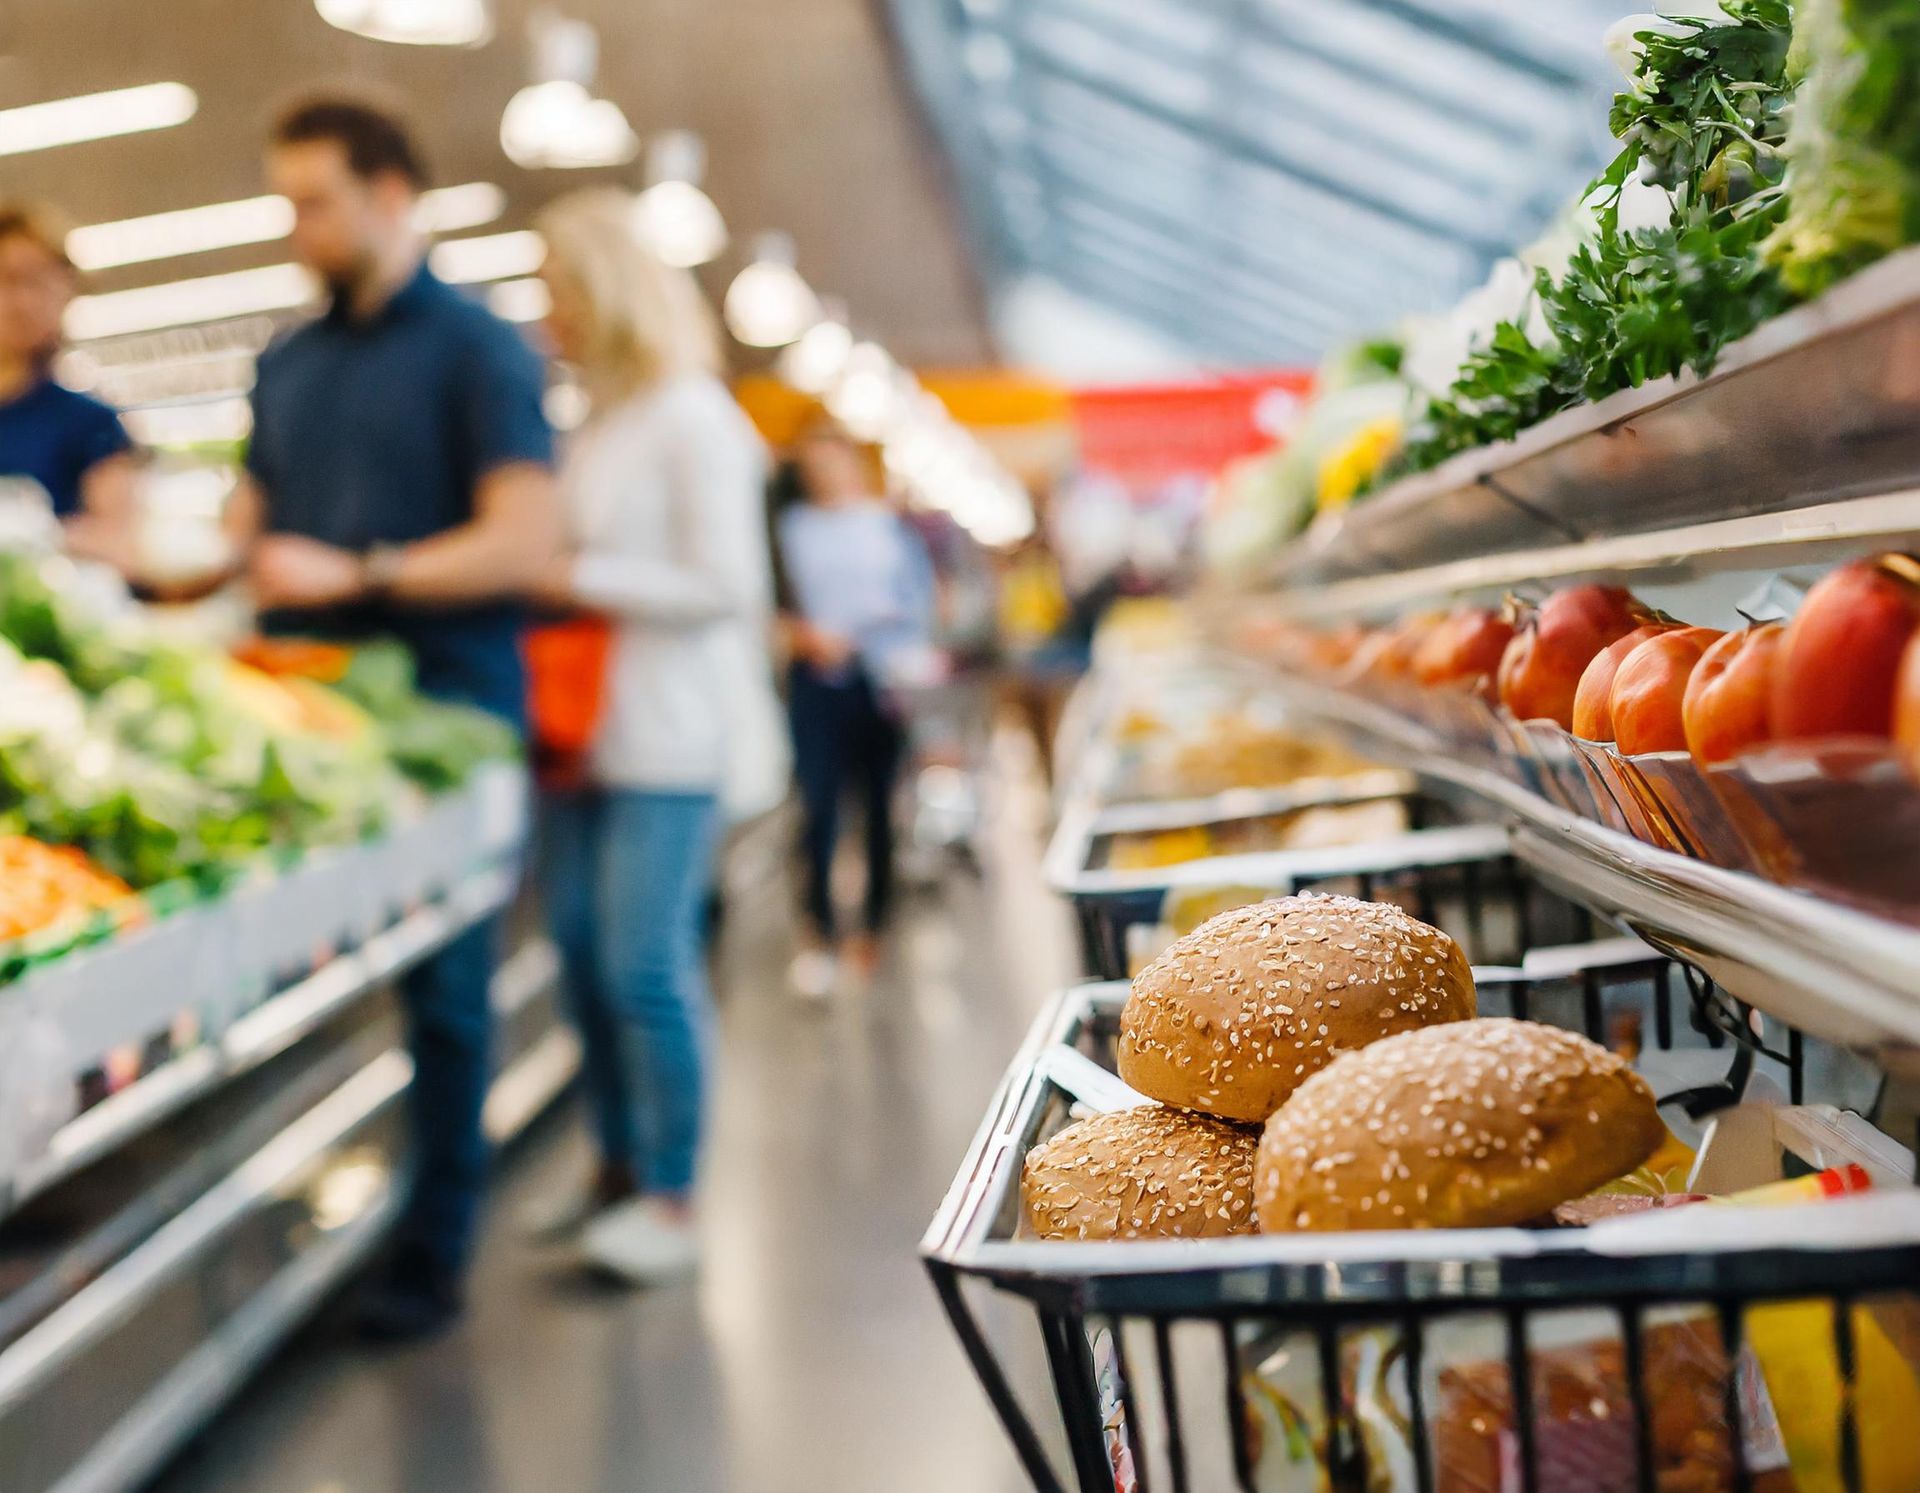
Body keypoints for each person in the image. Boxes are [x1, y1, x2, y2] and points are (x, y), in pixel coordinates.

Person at [229, 96, 562, 1339]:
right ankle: (314, 1223)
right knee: (303, 987)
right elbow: (247, 533)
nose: (295, 226)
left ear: (390, 193)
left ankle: (433, 1247)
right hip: (310, 725)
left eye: (312, 199)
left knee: (449, 998)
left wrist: (359, 572)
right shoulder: (287, 361)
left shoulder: (481, 349)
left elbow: (526, 538)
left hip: (452, 715)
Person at [525, 189, 783, 1282]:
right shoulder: (605, 420)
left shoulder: (693, 417)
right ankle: (615, 1164)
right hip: (590, 734)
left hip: (672, 739)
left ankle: (672, 1196)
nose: (551, 320)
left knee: (642, 966)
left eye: (562, 295)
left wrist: (575, 577)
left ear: (608, 293)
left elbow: (726, 584)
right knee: (581, 956)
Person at [773, 423, 937, 997]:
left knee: (878, 809)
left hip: (880, 681)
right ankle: (818, 929)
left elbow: (916, 605)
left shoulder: (885, 527)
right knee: (817, 808)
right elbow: (771, 604)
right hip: (818, 681)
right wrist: (803, 637)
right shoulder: (789, 532)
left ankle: (873, 927)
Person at [0, 202, 140, 568]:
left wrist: (37, 535)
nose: (21, 302)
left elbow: (125, 548)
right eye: (8, 280)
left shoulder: (92, 425)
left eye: (39, 281)